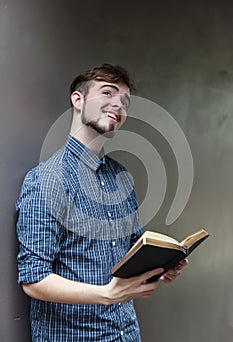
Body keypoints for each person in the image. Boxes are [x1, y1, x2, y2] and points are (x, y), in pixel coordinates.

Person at [16, 63, 188, 342]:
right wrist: (107, 295)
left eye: (124, 101)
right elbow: (34, 280)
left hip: (126, 335)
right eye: (107, 93)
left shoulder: (121, 177)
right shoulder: (46, 180)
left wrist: (162, 265)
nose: (118, 105)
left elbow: (131, 251)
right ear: (78, 100)